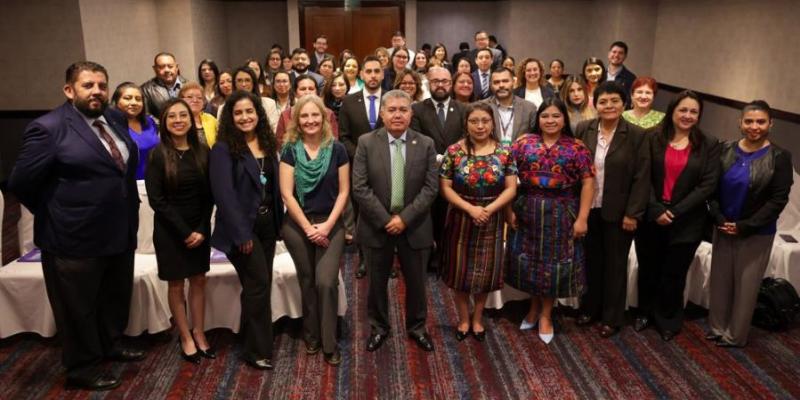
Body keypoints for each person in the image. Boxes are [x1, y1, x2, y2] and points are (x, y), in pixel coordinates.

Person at [9, 61, 143, 391]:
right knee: (78, 307)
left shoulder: (112, 118)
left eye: (101, 84)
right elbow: (21, 182)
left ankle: (111, 344)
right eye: (88, 85)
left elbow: (119, 168)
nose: (96, 91)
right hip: (72, 238)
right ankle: (82, 367)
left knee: (113, 295)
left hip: (118, 229)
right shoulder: (49, 128)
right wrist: (58, 212)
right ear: (69, 90)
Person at [351, 90, 439, 353]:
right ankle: (379, 328)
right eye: (392, 110)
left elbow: (430, 188)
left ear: (411, 113)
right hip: (377, 226)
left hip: (415, 225)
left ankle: (417, 327)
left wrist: (404, 218)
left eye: (403, 109)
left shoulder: (426, 144)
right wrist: (387, 219)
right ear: (382, 113)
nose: (398, 114)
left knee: (416, 283)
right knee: (376, 284)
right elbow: (360, 187)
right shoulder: (366, 142)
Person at [634, 90, 720, 341]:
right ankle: (645, 312)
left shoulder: (709, 144)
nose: (687, 115)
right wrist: (656, 209)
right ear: (672, 111)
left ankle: (668, 318)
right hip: (652, 217)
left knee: (674, 273)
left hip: (687, 221)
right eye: (683, 110)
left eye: (694, 111)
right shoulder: (652, 138)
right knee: (648, 267)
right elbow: (643, 176)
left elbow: (708, 184)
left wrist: (674, 211)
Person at [507, 98, 594, 344]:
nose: (550, 121)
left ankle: (546, 314)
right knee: (531, 263)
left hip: (562, 212)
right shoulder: (523, 143)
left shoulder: (576, 147)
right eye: (545, 116)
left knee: (553, 266)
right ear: (538, 119)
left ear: (564, 119)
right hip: (528, 209)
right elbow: (509, 176)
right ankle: (533, 308)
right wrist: (508, 211)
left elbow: (588, 182)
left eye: (556, 116)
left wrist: (583, 218)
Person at [707, 100, 793, 347]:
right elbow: (711, 189)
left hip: (756, 232)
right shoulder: (725, 150)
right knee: (720, 281)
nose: (754, 126)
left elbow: (778, 200)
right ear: (740, 123)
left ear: (770, 124)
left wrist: (745, 226)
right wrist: (720, 219)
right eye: (749, 121)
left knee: (746, 286)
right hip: (723, 226)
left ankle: (735, 335)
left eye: (760, 121)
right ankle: (717, 327)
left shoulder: (780, 157)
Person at [209, 90, 283, 370]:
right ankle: (256, 350)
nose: (244, 117)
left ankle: (250, 335)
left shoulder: (266, 142)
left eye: (249, 112)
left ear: (258, 114)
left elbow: (272, 186)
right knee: (259, 285)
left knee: (256, 287)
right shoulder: (223, 148)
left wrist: (278, 224)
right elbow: (224, 195)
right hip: (242, 230)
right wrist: (241, 235)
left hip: (267, 226)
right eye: (238, 113)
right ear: (230, 117)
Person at [574, 81, 650, 338]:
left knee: (616, 265)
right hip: (589, 208)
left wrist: (633, 213)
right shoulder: (584, 129)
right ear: (595, 103)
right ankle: (590, 308)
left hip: (620, 213)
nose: (608, 106)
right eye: (603, 101)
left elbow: (642, 178)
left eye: (614, 101)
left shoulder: (637, 135)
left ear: (624, 103)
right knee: (591, 261)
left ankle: (612, 316)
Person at [279, 95, 349, 365]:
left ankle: (329, 342)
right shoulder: (289, 150)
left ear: (325, 118)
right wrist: (309, 229)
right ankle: (312, 335)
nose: (310, 121)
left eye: (315, 115)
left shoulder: (338, 149)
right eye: (304, 116)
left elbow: (344, 192)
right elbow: (287, 194)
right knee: (307, 281)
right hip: (298, 225)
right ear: (297, 120)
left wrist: (328, 226)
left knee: (326, 281)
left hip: (331, 222)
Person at [439, 102, 517, 342]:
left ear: (492, 123)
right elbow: (445, 187)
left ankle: (478, 318)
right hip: (461, 217)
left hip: (492, 219)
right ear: (466, 124)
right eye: (474, 121)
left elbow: (511, 188)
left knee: (485, 274)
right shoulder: (454, 151)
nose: (480, 126)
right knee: (460, 272)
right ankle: (463, 318)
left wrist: (489, 209)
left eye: (485, 120)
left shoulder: (505, 152)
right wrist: (471, 209)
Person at [145, 98, 214, 363]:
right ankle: (185, 336)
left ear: (191, 118)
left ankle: (199, 332)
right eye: (171, 116)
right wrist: (185, 231)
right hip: (170, 231)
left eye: (183, 115)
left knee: (199, 280)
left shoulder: (203, 151)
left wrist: (200, 228)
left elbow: (210, 196)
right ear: (164, 122)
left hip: (200, 228)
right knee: (176, 284)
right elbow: (156, 200)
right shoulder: (157, 154)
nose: (178, 120)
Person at [411, 67, 467, 271]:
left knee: (451, 218)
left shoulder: (462, 109)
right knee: (430, 217)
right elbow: (416, 138)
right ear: (428, 83)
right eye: (436, 81)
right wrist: (437, 158)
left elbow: (465, 138)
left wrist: (449, 158)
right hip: (427, 172)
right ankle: (430, 255)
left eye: (444, 81)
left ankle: (447, 256)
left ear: (451, 84)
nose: (440, 85)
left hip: (457, 174)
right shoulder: (417, 109)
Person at [340, 55, 385, 278]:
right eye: (369, 71)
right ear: (361, 74)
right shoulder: (349, 102)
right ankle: (364, 259)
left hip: (389, 167)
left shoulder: (391, 100)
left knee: (387, 212)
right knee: (362, 215)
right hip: (358, 168)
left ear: (383, 74)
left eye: (377, 71)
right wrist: (361, 156)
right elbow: (344, 136)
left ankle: (387, 261)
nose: (373, 75)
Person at [112, 82, 159, 181]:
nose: (134, 103)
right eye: (127, 98)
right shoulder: (111, 126)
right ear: (116, 101)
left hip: (155, 180)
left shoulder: (149, 121)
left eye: (138, 99)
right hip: (128, 184)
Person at [275, 75, 340, 143]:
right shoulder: (285, 115)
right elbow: (280, 143)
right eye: (303, 89)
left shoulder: (328, 113)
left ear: (317, 92)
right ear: (295, 93)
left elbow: (334, 141)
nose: (307, 92)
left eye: (311, 89)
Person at [485, 67, 537, 145]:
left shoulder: (529, 108)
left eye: (505, 81)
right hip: (491, 155)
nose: (501, 85)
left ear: (513, 82)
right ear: (491, 85)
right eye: (496, 82)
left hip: (520, 155)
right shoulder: (482, 107)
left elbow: (536, 137)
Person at [222, 66, 280, 133]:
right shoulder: (223, 107)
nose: (243, 84)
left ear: (254, 83)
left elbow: (274, 131)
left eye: (247, 80)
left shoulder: (269, 104)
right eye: (239, 81)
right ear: (234, 84)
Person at [142, 52, 187, 117]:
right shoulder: (146, 90)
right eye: (161, 67)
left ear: (176, 67)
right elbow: (147, 116)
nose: (166, 70)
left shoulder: (188, 85)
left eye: (170, 66)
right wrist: (166, 124)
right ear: (155, 69)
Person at [179, 82, 218, 147]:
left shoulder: (211, 119)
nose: (195, 100)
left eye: (199, 97)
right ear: (181, 100)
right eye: (190, 97)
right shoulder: (176, 120)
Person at [607, 41, 637, 105]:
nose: (616, 55)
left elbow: (630, 101)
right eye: (614, 52)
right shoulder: (600, 74)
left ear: (625, 56)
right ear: (609, 54)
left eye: (620, 53)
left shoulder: (631, 78)